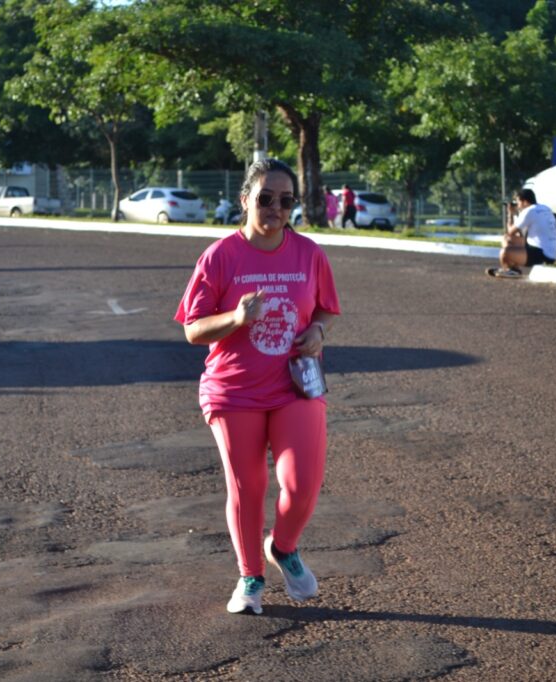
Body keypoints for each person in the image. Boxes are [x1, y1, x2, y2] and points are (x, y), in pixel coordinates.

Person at [175, 158, 341, 615]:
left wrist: (319, 330)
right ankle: (250, 578)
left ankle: (282, 547)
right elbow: (193, 329)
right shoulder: (220, 256)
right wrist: (236, 318)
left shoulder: (309, 254)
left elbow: (326, 308)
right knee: (247, 486)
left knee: (301, 484)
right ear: (245, 199)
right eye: (266, 198)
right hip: (234, 391)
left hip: (295, 385)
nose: (275, 208)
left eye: (286, 201)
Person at [487, 188, 556, 278]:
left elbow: (510, 231)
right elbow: (520, 234)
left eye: (518, 202)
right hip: (551, 252)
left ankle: (511, 270)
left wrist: (510, 213)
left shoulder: (529, 211)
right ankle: (513, 269)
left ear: (525, 202)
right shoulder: (545, 208)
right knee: (508, 239)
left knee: (504, 252)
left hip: (542, 254)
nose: (517, 205)